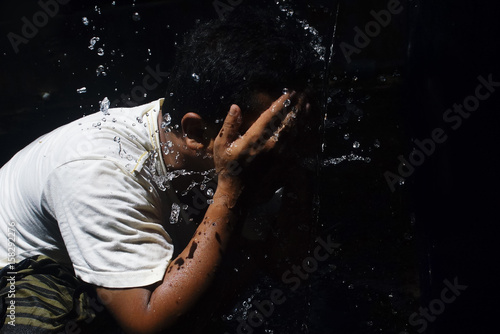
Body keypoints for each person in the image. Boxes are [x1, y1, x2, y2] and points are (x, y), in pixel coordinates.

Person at [0, 5, 318, 333]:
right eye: (269, 134)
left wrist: (298, 176)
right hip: (21, 268)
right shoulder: (102, 172)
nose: (278, 146)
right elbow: (147, 324)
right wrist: (232, 187)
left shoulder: (253, 148)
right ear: (195, 133)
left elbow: (288, 266)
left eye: (289, 127)